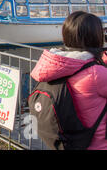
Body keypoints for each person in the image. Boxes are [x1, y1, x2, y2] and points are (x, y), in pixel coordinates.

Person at [31, 11, 107, 150]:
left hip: (68, 140)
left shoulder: (58, 64)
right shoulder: (96, 73)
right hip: (96, 144)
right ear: (97, 37)